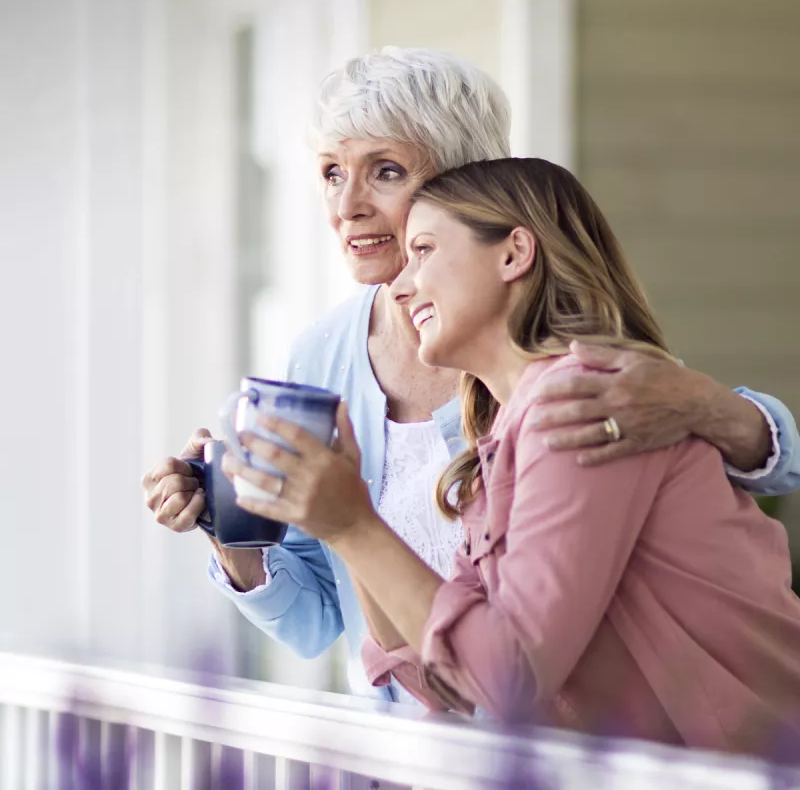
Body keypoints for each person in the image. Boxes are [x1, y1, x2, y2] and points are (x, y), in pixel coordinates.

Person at [141, 48, 800, 703]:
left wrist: (705, 404)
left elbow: (750, 464)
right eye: (331, 174)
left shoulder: (556, 374)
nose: (347, 205)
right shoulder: (318, 360)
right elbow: (323, 617)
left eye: (386, 171)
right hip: (432, 732)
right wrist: (235, 534)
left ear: (462, 184)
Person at [226, 157, 800, 754]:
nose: (399, 286)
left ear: (513, 253)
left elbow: (510, 678)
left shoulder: (585, 399)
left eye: (422, 251)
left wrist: (353, 525)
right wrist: (349, 514)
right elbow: (446, 682)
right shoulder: (503, 442)